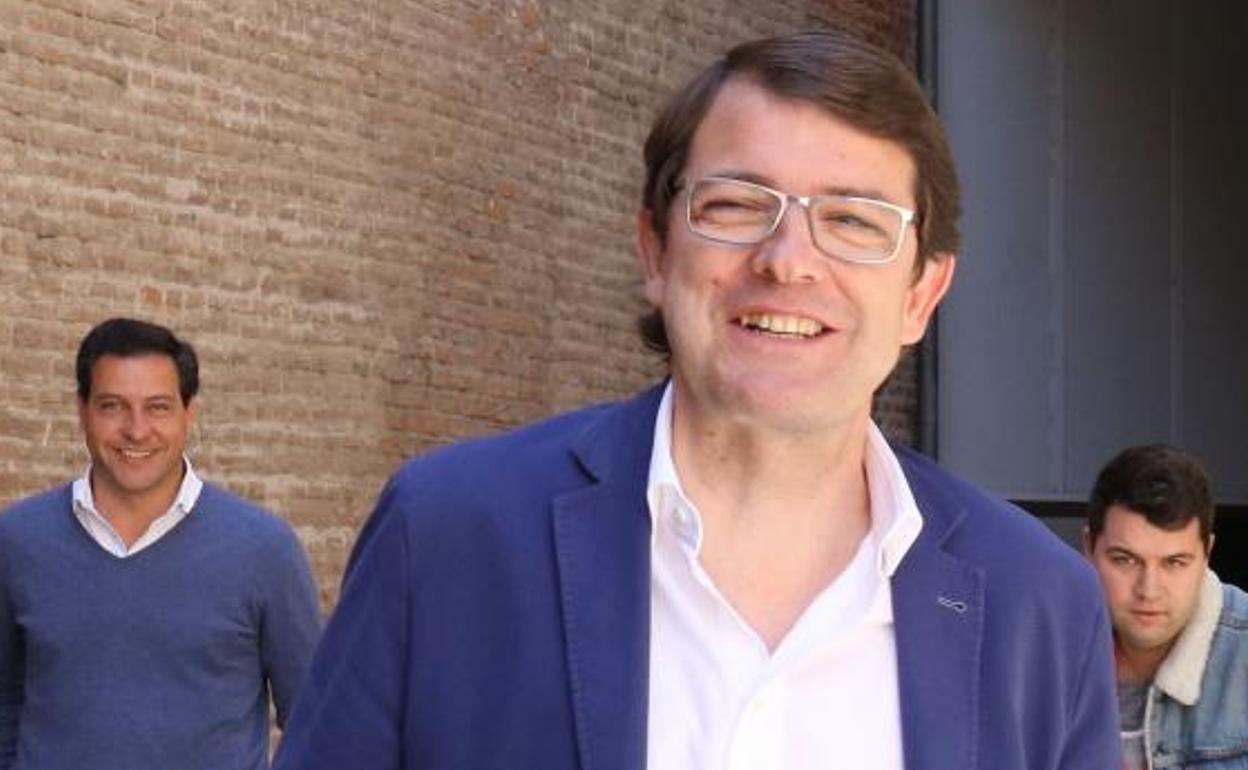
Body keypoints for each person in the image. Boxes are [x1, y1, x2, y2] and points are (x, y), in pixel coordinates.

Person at [275, 29, 1120, 770]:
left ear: (921, 295)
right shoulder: (449, 535)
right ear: (655, 251)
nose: (788, 260)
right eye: (737, 205)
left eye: (854, 221)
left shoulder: (1038, 604)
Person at [0, 317, 322, 770]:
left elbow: (317, 722)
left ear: (189, 413)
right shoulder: (18, 541)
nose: (136, 430)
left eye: (158, 407)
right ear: (82, 410)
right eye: (112, 406)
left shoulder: (265, 550)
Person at [1084, 444, 1248, 770]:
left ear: (1207, 553)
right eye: (1125, 560)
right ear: (1089, 547)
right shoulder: (1041, 651)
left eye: (1174, 563)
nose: (1149, 590)